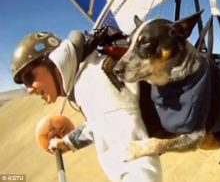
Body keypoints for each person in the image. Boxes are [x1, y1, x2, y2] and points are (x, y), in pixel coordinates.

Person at [11, 30, 162, 182]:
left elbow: (138, 165)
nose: (29, 89)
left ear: (51, 60)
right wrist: (68, 142)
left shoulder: (92, 82)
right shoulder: (88, 73)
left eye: (29, 78)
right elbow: (102, 122)